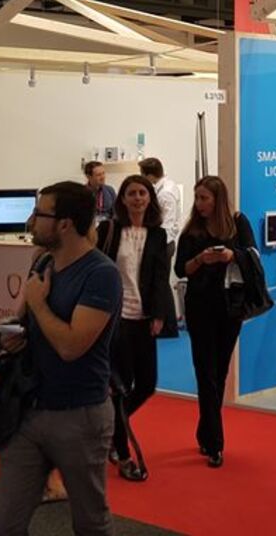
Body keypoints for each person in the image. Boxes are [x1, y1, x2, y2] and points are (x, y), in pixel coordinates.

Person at [0, 181, 121, 536]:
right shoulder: (44, 263)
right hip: (28, 410)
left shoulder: (101, 274)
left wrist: (37, 303)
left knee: (91, 523)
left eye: (40, 213)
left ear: (64, 224)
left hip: (80, 415)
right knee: (6, 524)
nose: (31, 221)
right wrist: (15, 337)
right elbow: (26, 324)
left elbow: (71, 346)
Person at [95, 175, 176, 480]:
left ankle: (111, 427)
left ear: (150, 198)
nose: (138, 198)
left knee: (147, 384)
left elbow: (160, 278)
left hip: (144, 317)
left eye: (143, 192)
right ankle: (122, 451)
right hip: (116, 318)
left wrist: (159, 314)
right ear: (123, 199)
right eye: (132, 193)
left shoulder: (158, 235)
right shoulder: (109, 230)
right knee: (121, 386)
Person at [175, 175, 254, 467]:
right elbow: (180, 268)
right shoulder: (191, 231)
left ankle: (205, 430)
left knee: (218, 372)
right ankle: (216, 442)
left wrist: (231, 255)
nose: (199, 204)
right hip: (200, 307)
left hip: (230, 307)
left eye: (204, 198)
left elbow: (252, 255)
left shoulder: (238, 223)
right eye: (197, 198)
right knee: (205, 371)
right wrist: (201, 260)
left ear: (218, 200)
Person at [137, 157, 182, 250]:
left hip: (163, 244)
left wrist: (155, 245)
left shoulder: (165, 194)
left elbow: (167, 224)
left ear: (150, 176)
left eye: (142, 175)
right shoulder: (168, 185)